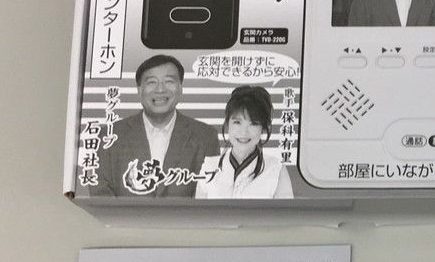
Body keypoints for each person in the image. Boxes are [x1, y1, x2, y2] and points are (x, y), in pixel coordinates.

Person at [92, 54, 219, 197]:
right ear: (139, 90)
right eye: (152, 82)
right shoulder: (109, 136)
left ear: (180, 88)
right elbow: (100, 194)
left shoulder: (206, 136)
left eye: (169, 81)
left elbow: (209, 195)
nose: (160, 89)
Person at [195, 85, 294, 199]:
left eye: (253, 124)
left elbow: (286, 211)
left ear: (263, 128)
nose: (244, 132)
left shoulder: (276, 170)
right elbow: (199, 210)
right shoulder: (209, 167)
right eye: (237, 122)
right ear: (227, 124)